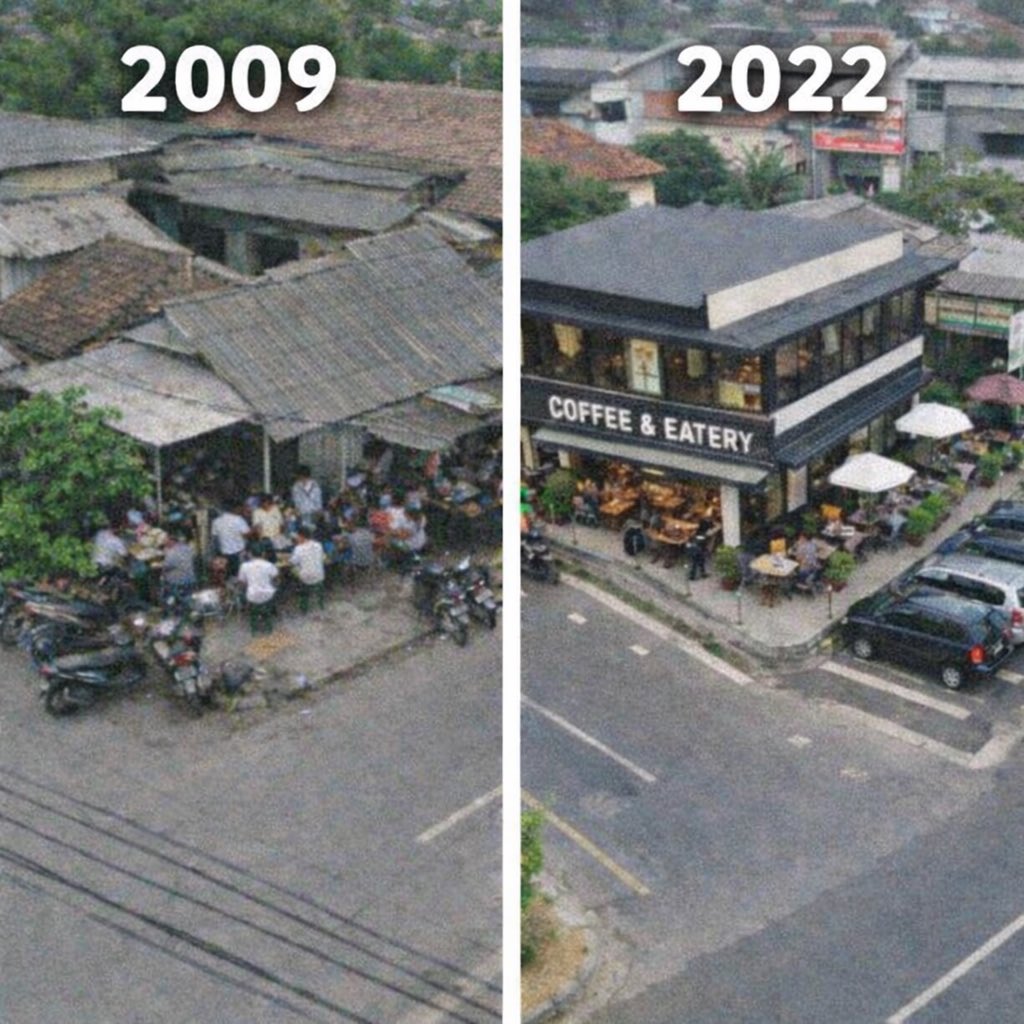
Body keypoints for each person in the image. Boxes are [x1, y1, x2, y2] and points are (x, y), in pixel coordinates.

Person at [238, 549, 279, 634]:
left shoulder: (244, 566)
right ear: (263, 554)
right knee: (275, 591)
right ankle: (268, 619)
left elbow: (242, 583)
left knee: (241, 594)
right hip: (268, 595)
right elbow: (276, 579)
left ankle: (254, 626)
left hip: (252, 596)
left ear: (250, 554)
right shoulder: (269, 565)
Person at [290, 528, 326, 613]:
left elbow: (292, 562)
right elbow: (321, 558)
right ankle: (321, 603)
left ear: (302, 536)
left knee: (292, 569)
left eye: (298, 536)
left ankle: (302, 600)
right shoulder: (318, 545)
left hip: (306, 578)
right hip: (320, 576)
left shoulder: (298, 548)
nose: (297, 538)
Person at [211, 503, 250, 578]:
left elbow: (215, 539)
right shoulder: (239, 519)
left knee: (226, 576)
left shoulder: (216, 521)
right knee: (239, 575)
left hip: (224, 554)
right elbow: (247, 534)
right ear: (235, 509)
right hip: (239, 553)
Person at [161, 533, 197, 603]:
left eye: (165, 540)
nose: (164, 542)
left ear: (171, 541)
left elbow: (166, 567)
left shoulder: (171, 552)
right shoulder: (187, 548)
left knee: (164, 581)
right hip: (190, 578)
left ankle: (169, 604)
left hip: (178, 581)